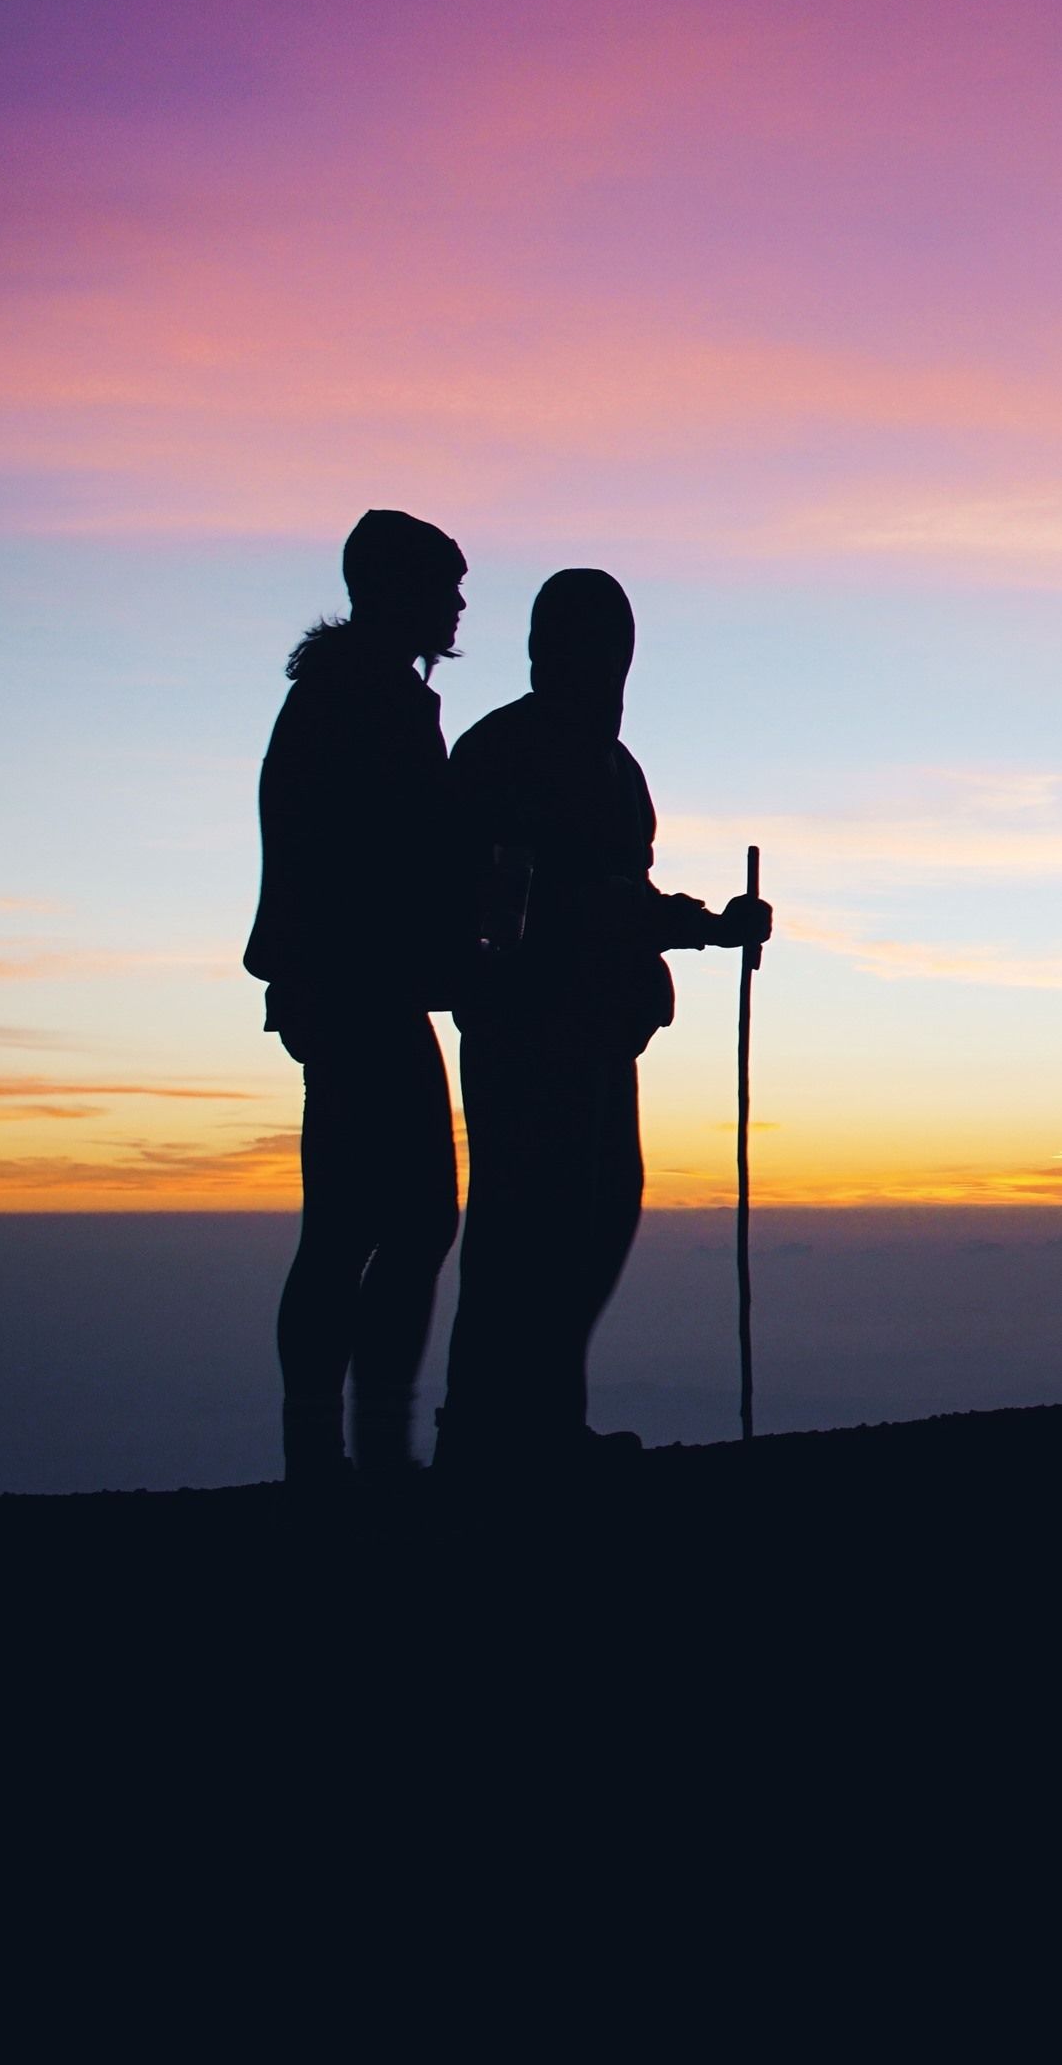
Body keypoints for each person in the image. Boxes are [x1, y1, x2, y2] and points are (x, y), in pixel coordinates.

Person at [435, 568, 772, 1476]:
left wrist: (706, 928)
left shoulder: (616, 768)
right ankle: (484, 1434)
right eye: (587, 643)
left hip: (599, 1034)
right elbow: (541, 901)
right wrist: (687, 927)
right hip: (525, 1029)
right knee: (521, 1228)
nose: (603, 664)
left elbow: (626, 893)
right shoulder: (504, 753)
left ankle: (541, 1420)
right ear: (550, 650)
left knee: (590, 1222)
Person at [244, 510, 468, 1482]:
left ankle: (338, 1444)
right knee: (398, 1219)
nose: (459, 605)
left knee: (363, 1221)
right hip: (357, 990)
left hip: (347, 988)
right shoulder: (364, 701)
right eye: (445, 585)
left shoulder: (351, 695)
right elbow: (378, 856)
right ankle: (357, 1448)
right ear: (396, 590)